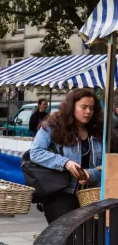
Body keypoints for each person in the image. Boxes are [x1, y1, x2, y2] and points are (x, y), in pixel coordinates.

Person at [30, 89, 103, 224]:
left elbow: (106, 165)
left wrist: (90, 174)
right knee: (66, 236)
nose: (88, 112)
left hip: (90, 195)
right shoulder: (52, 126)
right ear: (71, 106)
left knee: (89, 239)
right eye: (84, 107)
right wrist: (65, 163)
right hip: (60, 193)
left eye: (91, 108)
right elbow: (35, 152)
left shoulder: (98, 132)